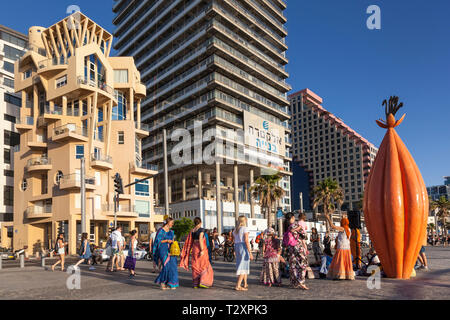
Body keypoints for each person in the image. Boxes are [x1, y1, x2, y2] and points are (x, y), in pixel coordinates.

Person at [179, 217, 214, 288]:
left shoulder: (192, 230)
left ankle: (195, 283)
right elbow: (201, 239)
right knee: (204, 265)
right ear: (200, 222)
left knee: (196, 265)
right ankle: (203, 282)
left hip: (194, 249)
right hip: (200, 248)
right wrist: (202, 250)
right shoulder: (201, 230)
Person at [283, 212, 309, 290]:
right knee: (303, 263)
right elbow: (305, 236)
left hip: (291, 247)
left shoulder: (287, 227)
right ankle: (301, 281)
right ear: (293, 218)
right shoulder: (296, 226)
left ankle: (294, 282)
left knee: (293, 264)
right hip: (298, 246)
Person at [324, 215, 355, 280]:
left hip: (341, 247)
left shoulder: (343, 229)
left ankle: (340, 275)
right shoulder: (348, 229)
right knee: (346, 262)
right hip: (347, 248)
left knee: (339, 261)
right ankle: (346, 275)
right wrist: (343, 217)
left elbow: (332, 226)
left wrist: (328, 218)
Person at [153, 217, 179, 290]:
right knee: (166, 266)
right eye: (172, 222)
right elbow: (158, 241)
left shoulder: (171, 231)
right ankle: (162, 282)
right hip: (163, 249)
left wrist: (173, 243)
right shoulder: (161, 231)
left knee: (172, 266)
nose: (172, 224)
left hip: (170, 250)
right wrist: (167, 240)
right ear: (168, 222)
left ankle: (171, 283)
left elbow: (172, 240)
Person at [233, 216, 253, 291]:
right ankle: (238, 286)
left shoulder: (235, 230)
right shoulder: (245, 228)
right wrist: (250, 252)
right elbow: (246, 240)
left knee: (242, 265)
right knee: (243, 266)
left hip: (237, 247)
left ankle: (245, 283)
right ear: (244, 221)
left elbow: (235, 240)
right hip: (243, 247)